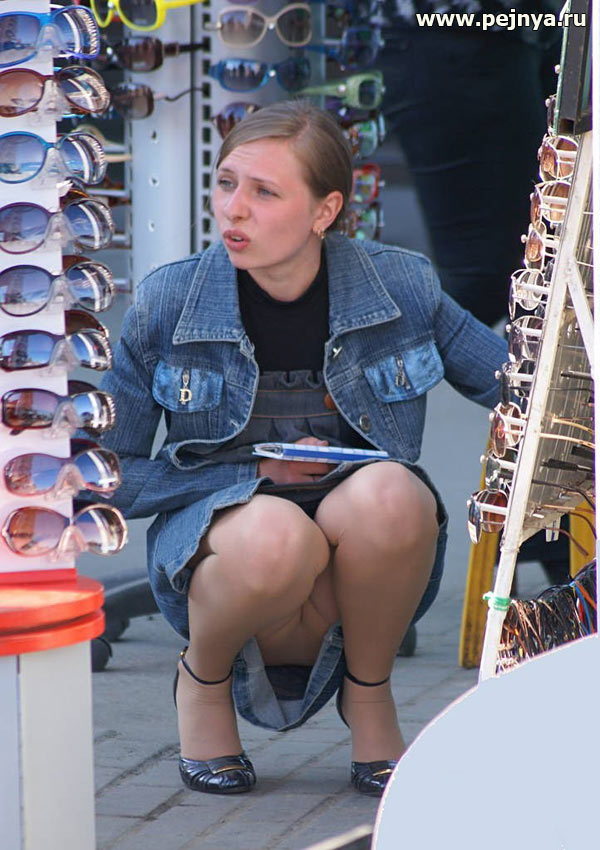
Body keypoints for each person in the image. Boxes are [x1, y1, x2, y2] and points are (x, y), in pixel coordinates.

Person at [99, 101, 507, 797]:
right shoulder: (170, 302)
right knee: (276, 533)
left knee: (394, 492)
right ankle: (202, 682)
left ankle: (370, 697)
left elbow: (517, 384)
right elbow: (108, 478)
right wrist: (256, 473)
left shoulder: (399, 285)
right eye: (227, 182)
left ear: (325, 210)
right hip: (235, 563)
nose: (234, 209)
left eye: (265, 192)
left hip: (361, 576)